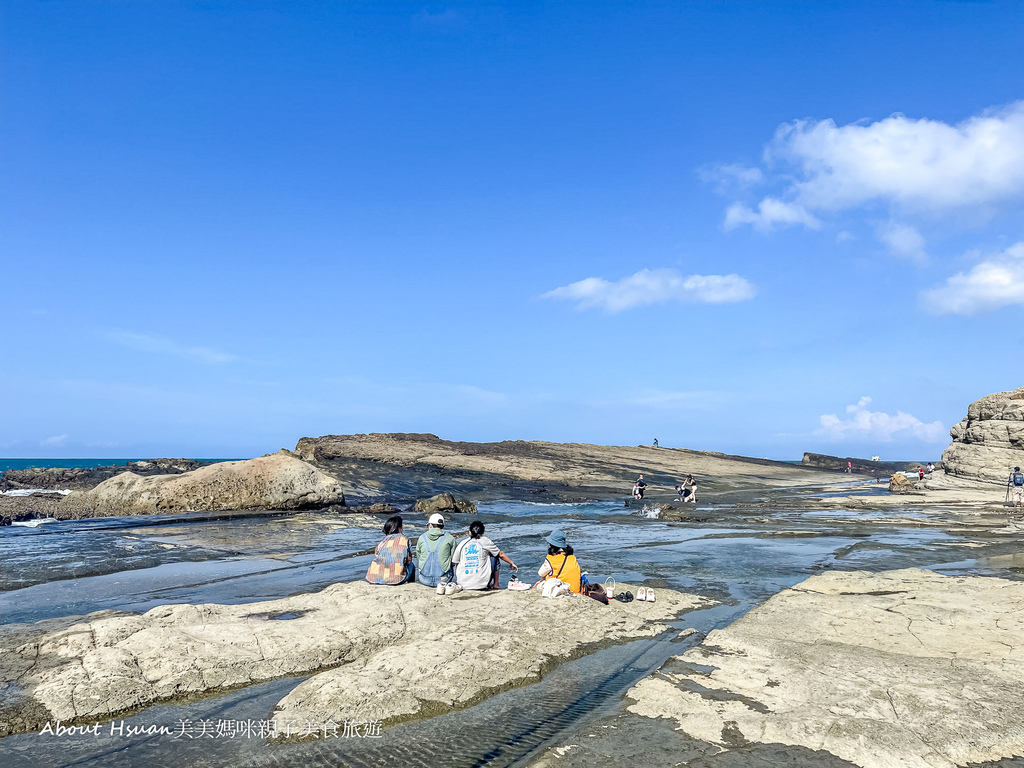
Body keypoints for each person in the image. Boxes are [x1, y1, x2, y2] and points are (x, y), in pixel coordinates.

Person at [453, 520, 518, 590]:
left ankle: (468, 579)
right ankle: (496, 584)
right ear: (483, 532)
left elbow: (455, 561)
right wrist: (511, 563)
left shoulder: (462, 543)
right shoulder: (485, 540)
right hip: (480, 584)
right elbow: (501, 554)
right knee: (494, 556)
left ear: (470, 532)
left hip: (462, 583)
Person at [365, 515, 414, 585]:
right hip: (396, 579)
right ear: (399, 528)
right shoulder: (405, 540)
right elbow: (409, 561)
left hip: (375, 578)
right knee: (411, 566)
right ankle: (411, 585)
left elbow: (376, 554)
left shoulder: (383, 542)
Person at [415, 513, 457, 587]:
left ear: (430, 525)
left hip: (424, 579)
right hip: (443, 580)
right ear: (442, 525)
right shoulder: (450, 538)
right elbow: (454, 561)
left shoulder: (422, 537)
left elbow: (419, 556)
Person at [537, 529, 582, 594]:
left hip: (563, 589)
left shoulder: (551, 558)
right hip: (575, 590)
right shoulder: (572, 557)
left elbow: (540, 573)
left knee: (539, 585)